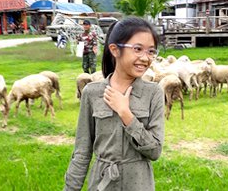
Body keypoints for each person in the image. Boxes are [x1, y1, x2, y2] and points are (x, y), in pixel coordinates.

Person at [65, 17, 164, 190]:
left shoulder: (153, 93)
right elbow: (82, 152)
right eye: (138, 49)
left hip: (139, 183)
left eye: (151, 51)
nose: (145, 58)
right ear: (115, 50)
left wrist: (126, 114)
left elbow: (155, 151)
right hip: (102, 183)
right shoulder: (92, 93)